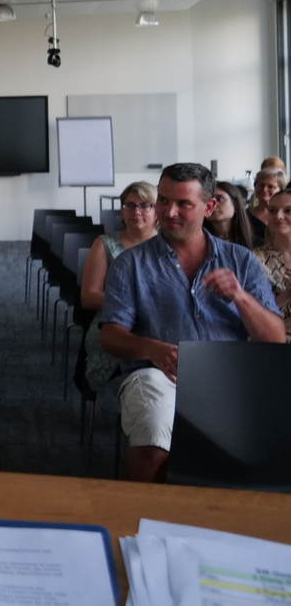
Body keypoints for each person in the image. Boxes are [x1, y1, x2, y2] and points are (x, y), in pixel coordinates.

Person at [100, 163, 283, 483]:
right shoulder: (130, 264)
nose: (170, 212)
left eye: (183, 203)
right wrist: (153, 349)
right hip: (158, 375)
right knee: (154, 434)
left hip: (232, 378)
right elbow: (111, 336)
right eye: (164, 200)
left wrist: (240, 297)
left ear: (208, 207)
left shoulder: (241, 260)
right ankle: (147, 511)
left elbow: (275, 339)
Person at [79, 181, 158, 392]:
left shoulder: (169, 245)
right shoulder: (104, 243)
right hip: (113, 323)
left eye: (145, 205)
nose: (136, 212)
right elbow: (89, 297)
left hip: (159, 324)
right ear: (122, 212)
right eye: (130, 205)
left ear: (157, 211)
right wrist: (134, 307)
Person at [255, 188, 291, 338]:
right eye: (273, 211)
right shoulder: (256, 259)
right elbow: (255, 314)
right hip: (276, 341)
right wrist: (287, 294)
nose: (279, 216)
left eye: (288, 211)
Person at [205, 181, 256, 250]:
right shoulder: (198, 242)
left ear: (235, 205)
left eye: (220, 199)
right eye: (208, 200)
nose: (212, 204)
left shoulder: (254, 243)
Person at [247, 168, 286, 245]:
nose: (264, 189)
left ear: (281, 190)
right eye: (261, 185)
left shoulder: (287, 215)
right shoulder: (244, 217)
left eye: (270, 186)